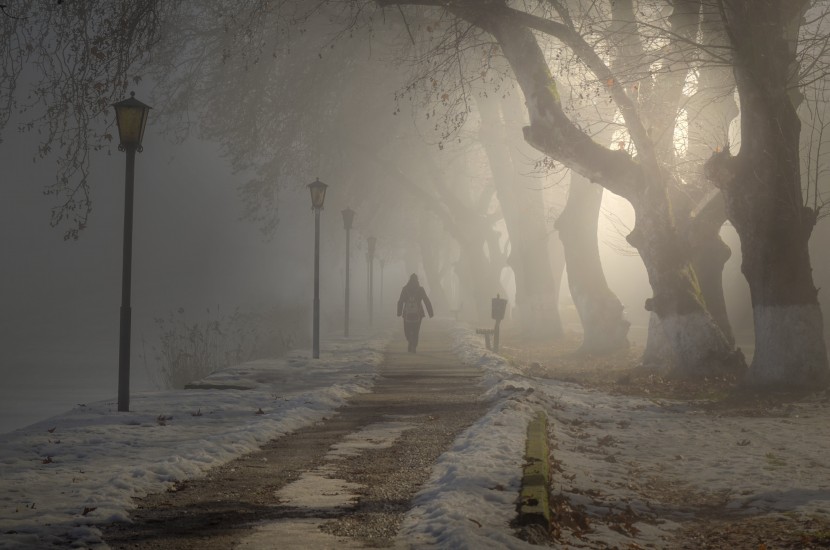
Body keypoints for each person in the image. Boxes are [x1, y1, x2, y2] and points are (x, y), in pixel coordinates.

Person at [397, 273, 434, 353]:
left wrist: (399, 312)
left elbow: (400, 301)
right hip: (419, 314)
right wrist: (430, 312)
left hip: (407, 314)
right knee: (416, 330)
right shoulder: (420, 289)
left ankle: (409, 339)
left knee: (407, 329)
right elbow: (426, 300)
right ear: (417, 280)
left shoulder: (405, 289)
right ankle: (414, 345)